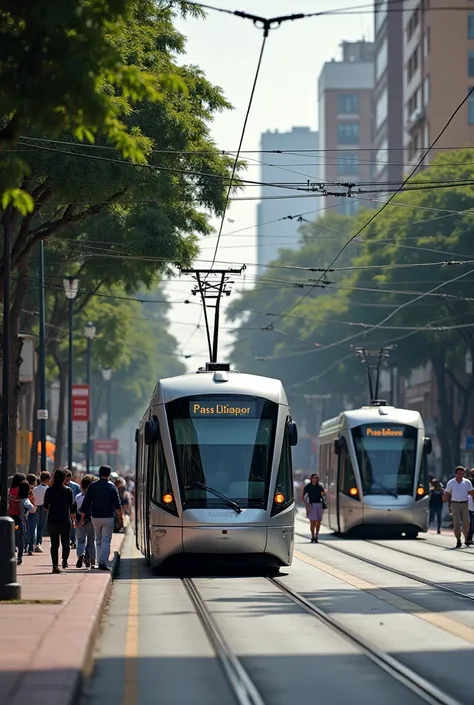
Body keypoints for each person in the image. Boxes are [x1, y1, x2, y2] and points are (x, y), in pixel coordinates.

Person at [80, 465, 122, 571]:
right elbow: (117, 505)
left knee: (98, 540)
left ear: (99, 473)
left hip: (95, 517)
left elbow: (86, 504)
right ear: (109, 474)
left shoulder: (92, 486)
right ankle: (103, 562)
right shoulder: (112, 487)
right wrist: (120, 518)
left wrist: (82, 518)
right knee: (106, 539)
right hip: (108, 517)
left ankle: (99, 561)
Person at [43, 468, 76, 574]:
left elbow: (45, 506)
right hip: (64, 519)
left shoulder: (49, 490)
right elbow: (71, 506)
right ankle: (65, 561)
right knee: (66, 542)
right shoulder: (68, 490)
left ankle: (55, 565)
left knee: (54, 544)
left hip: (52, 519)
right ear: (64, 478)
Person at [444, 466, 474, 548]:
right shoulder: (451, 482)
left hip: (465, 504)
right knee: (456, 523)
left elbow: (472, 493)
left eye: (462, 473)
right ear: (455, 474)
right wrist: (448, 505)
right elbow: (447, 494)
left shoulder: (467, 482)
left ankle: (466, 538)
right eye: (459, 473)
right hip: (455, 504)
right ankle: (458, 539)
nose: (461, 475)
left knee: (466, 523)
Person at [75, 475, 96, 569]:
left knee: (80, 540)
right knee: (91, 541)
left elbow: (75, 509)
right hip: (91, 520)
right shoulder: (93, 497)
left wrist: (76, 520)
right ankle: (92, 560)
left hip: (80, 520)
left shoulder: (78, 497)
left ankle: (81, 554)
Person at [302, 473, 326, 543]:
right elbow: (303, 494)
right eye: (314, 478)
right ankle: (312, 536)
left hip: (319, 505)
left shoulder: (320, 486)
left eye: (316, 478)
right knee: (312, 522)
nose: (315, 479)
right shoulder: (308, 486)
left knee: (318, 522)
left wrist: (324, 493)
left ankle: (316, 536)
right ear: (311, 479)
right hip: (312, 505)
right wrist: (306, 504)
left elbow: (323, 494)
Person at [7, 473, 26, 560]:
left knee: (13, 533)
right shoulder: (21, 491)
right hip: (19, 517)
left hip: (11, 515)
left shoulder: (10, 490)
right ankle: (20, 556)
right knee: (20, 535)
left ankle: (12, 550)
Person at [33, 471, 51, 552]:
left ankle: (33, 543)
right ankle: (38, 543)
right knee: (41, 526)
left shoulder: (35, 489)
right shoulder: (48, 489)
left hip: (36, 507)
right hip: (44, 508)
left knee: (36, 525)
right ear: (47, 479)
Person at [18, 481, 36, 563]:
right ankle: (23, 552)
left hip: (15, 518)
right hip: (23, 520)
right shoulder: (26, 500)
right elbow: (31, 508)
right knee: (24, 535)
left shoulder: (16, 498)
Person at [65, 469, 81, 548]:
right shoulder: (59, 486)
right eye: (65, 477)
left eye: (68, 477)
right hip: (64, 509)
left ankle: (73, 541)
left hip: (73, 508)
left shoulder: (75, 486)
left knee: (73, 525)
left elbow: (79, 497)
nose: (67, 479)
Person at [26, 474, 38, 555]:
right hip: (32, 511)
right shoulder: (34, 489)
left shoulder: (24, 489)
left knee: (25, 530)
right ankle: (30, 547)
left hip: (24, 512)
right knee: (32, 530)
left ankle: (24, 546)